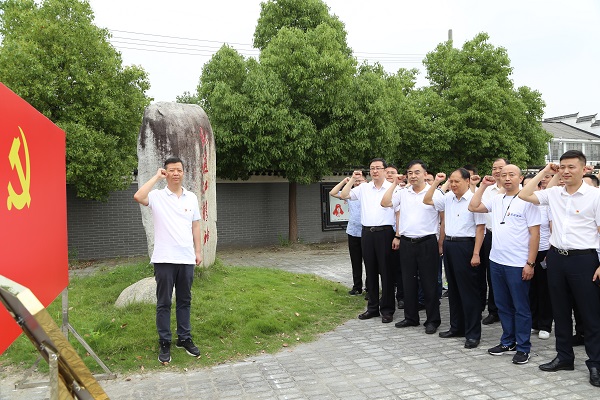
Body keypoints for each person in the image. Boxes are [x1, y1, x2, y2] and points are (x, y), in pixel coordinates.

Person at [519, 150, 600, 388]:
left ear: (584, 169)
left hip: (584, 260)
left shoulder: (595, 196)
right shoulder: (554, 193)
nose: (565, 171)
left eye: (571, 167)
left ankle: (595, 362)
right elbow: (524, 194)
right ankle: (564, 356)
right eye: (562, 167)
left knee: (590, 314)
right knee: (560, 311)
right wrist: (545, 171)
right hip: (556, 258)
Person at [134, 157, 202, 364]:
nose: (175, 173)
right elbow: (138, 196)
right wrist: (156, 177)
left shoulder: (191, 198)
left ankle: (184, 338)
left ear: (183, 172)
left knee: (184, 300)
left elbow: (196, 225)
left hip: (186, 258)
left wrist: (198, 251)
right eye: (171, 170)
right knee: (163, 302)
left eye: (179, 170)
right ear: (166, 172)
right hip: (164, 259)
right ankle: (165, 342)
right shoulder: (157, 196)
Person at [469, 166, 540, 365]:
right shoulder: (497, 198)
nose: (507, 178)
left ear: (520, 178)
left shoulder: (528, 201)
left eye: (511, 175)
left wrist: (530, 263)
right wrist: (483, 186)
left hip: (517, 263)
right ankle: (508, 341)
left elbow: (535, 234)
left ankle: (523, 347)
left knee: (521, 307)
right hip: (496, 261)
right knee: (503, 306)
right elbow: (473, 206)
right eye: (503, 175)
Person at [424, 168, 486, 349]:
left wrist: (476, 253)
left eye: (457, 181)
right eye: (451, 181)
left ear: (467, 181)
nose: (453, 184)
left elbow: (480, 228)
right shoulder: (448, 197)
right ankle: (456, 327)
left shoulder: (475, 200)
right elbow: (427, 199)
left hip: (467, 246)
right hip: (450, 245)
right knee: (454, 290)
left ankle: (473, 334)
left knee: (469, 292)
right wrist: (437, 183)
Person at [381, 160, 443, 334]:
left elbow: (443, 218)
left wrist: (441, 242)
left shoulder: (435, 193)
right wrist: (394, 183)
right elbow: (385, 203)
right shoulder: (403, 193)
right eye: (410, 173)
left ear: (425, 174)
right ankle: (411, 317)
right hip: (407, 242)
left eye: (417, 172)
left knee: (429, 283)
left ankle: (432, 320)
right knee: (408, 282)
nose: (413, 176)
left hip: (427, 242)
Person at [340, 159, 396, 323]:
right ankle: (372, 308)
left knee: (386, 272)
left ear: (385, 170)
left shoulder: (393, 188)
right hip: (367, 233)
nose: (375, 171)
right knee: (370, 271)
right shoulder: (364, 188)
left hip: (385, 233)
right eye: (372, 168)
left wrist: (398, 235)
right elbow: (344, 195)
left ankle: (387, 309)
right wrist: (352, 178)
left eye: (378, 168)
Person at [480, 158, 509, 325]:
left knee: (508, 275)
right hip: (489, 236)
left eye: (501, 168)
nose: (497, 171)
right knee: (490, 275)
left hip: (509, 238)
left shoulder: (518, 190)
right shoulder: (487, 189)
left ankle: (508, 309)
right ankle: (493, 310)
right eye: (494, 168)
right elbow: (475, 205)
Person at [329, 173, 367, 295]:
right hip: (352, 232)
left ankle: (370, 288)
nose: (358, 183)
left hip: (367, 232)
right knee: (355, 261)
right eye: (356, 181)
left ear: (366, 181)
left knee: (369, 262)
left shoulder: (369, 194)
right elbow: (333, 193)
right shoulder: (350, 194)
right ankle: (357, 287)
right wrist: (345, 181)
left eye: (360, 180)